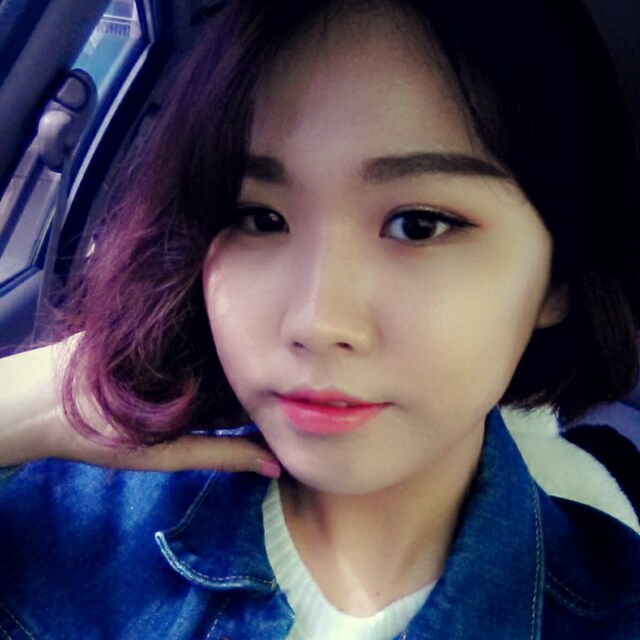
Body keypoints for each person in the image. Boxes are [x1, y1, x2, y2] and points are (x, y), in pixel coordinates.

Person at [1, 0, 639, 637]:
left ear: (558, 273)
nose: (315, 322)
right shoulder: (63, 522)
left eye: (419, 225)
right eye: (259, 218)